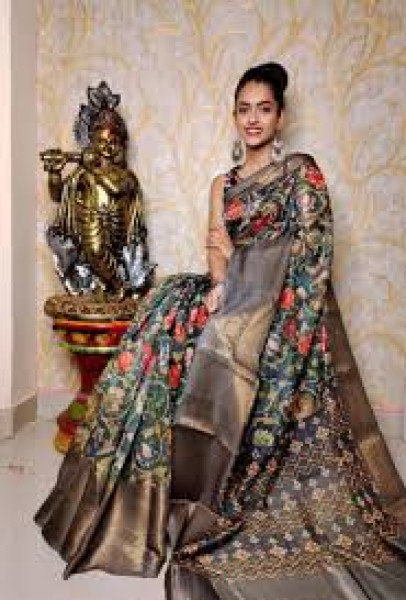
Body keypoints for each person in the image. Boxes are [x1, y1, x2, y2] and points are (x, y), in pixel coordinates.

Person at [35, 63, 406, 599]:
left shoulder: (301, 173)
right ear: (234, 116)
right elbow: (217, 247)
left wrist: (251, 277)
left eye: (264, 109)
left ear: (281, 117)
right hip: (234, 294)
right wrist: (221, 285)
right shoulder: (223, 184)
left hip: (284, 305)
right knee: (161, 320)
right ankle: (140, 494)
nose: (253, 119)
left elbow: (310, 252)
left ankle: (227, 483)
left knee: (235, 340)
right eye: (244, 109)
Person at [40, 82, 153, 298]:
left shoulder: (126, 177)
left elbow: (116, 187)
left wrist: (91, 165)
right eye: (101, 142)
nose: (107, 148)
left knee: (113, 258)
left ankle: (116, 286)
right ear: (91, 144)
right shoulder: (83, 175)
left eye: (113, 142)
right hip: (90, 231)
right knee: (94, 252)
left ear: (121, 145)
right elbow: (58, 195)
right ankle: (110, 286)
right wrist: (54, 173)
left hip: (118, 235)